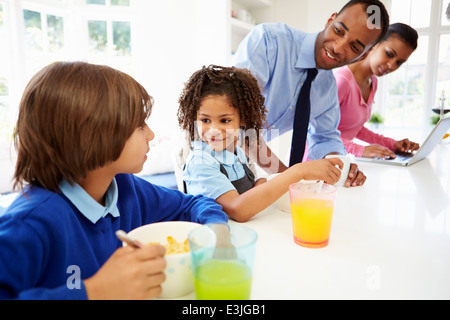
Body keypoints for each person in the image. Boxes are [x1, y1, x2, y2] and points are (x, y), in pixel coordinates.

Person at [0, 61, 228, 300]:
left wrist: (217, 230)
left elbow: (191, 205)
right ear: (93, 138)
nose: (150, 134)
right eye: (140, 125)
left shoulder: (126, 188)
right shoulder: (29, 223)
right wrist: (96, 292)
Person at [231, 0, 390, 187]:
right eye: (338, 30)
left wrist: (341, 166)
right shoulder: (269, 40)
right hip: (211, 150)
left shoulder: (327, 87)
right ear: (331, 20)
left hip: (245, 160)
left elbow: (326, 138)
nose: (338, 48)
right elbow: (241, 123)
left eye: (354, 47)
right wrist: (292, 178)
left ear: (362, 55)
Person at [178, 65, 344, 222]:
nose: (214, 129)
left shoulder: (237, 153)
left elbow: (249, 196)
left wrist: (261, 183)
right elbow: (239, 209)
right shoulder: (200, 163)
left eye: (225, 120)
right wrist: (298, 171)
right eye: (205, 120)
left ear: (242, 119)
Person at [334, 23, 420, 159]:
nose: (391, 65)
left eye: (399, 62)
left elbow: (355, 128)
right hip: (310, 163)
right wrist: (360, 150)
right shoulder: (342, 81)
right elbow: (315, 132)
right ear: (374, 44)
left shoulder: (372, 82)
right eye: (389, 54)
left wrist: (393, 144)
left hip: (335, 163)